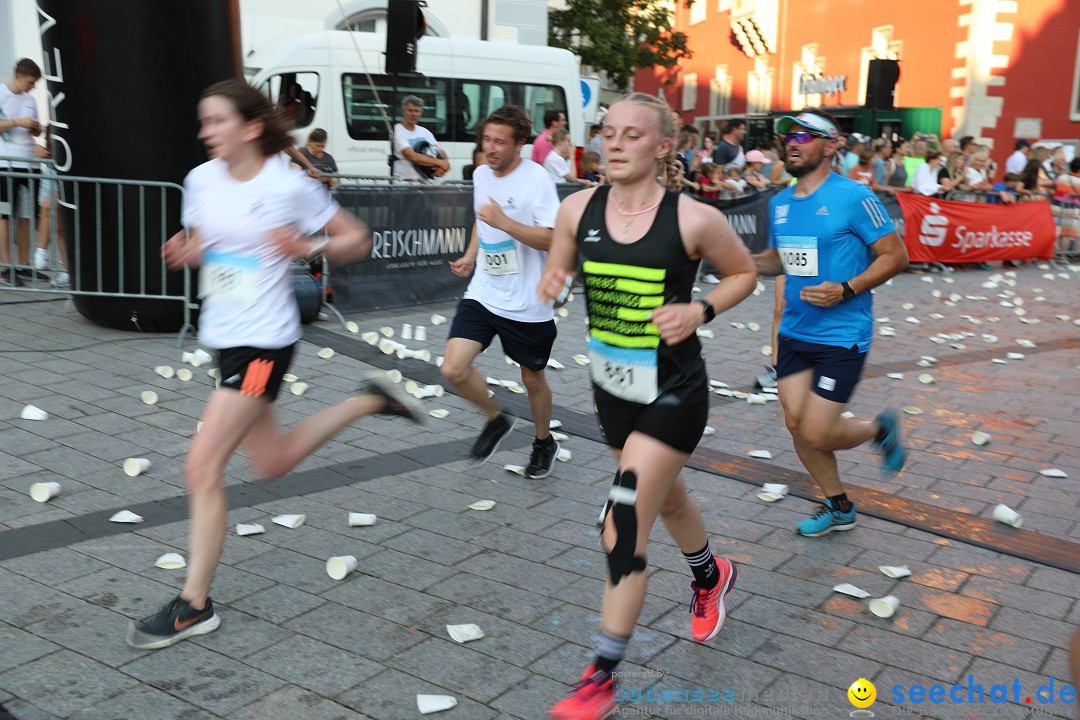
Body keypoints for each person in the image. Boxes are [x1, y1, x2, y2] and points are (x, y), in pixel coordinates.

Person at [126, 79, 423, 650]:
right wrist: (188, 247)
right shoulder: (200, 180)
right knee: (272, 462)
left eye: (216, 121)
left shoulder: (288, 186)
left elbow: (355, 238)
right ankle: (371, 398)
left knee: (201, 467)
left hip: (265, 343)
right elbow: (203, 236)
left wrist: (305, 248)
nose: (205, 132)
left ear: (251, 128)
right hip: (225, 337)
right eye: (203, 121)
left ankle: (194, 605)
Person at [538, 91, 757, 720]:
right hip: (612, 391)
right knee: (668, 497)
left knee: (623, 521)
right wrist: (554, 281)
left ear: (663, 147)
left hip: (674, 393)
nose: (613, 143)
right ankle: (711, 574)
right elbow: (559, 265)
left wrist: (700, 309)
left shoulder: (694, 219)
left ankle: (601, 675)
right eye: (608, 132)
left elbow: (743, 274)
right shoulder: (577, 208)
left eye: (632, 135)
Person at [750, 109, 909, 538]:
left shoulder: (855, 197)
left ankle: (879, 429)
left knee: (817, 430)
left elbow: (896, 256)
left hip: (842, 335)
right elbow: (776, 259)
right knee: (796, 423)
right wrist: (739, 262)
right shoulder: (779, 202)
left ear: (832, 145)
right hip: (795, 333)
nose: (793, 142)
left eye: (805, 135)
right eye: (788, 136)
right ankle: (838, 506)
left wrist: (847, 288)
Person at [442, 104, 563, 479]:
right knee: (453, 367)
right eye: (486, 140)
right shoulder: (482, 174)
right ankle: (496, 419)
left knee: (532, 379)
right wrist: (470, 255)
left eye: (499, 142)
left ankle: (544, 442)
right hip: (485, 290)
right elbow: (483, 219)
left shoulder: (536, 179)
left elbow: (552, 238)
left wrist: (506, 223)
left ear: (520, 145)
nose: (489, 148)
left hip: (527, 299)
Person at [0, 58, 43, 287]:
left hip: (30, 165)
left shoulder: (31, 99)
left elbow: (35, 130)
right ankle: (6, 267)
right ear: (18, 76)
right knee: (4, 216)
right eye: (30, 82)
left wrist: (36, 128)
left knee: (27, 215)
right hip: (5, 164)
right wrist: (17, 121)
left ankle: (25, 265)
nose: (32, 86)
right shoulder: (1, 93)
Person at [392, 95, 450, 180]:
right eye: (410, 110)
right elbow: (411, 156)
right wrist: (440, 163)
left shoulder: (425, 132)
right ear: (403, 111)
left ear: (421, 113)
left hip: (425, 183)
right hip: (403, 183)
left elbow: (441, 152)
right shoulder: (396, 130)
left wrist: (443, 168)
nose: (413, 114)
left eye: (417, 111)